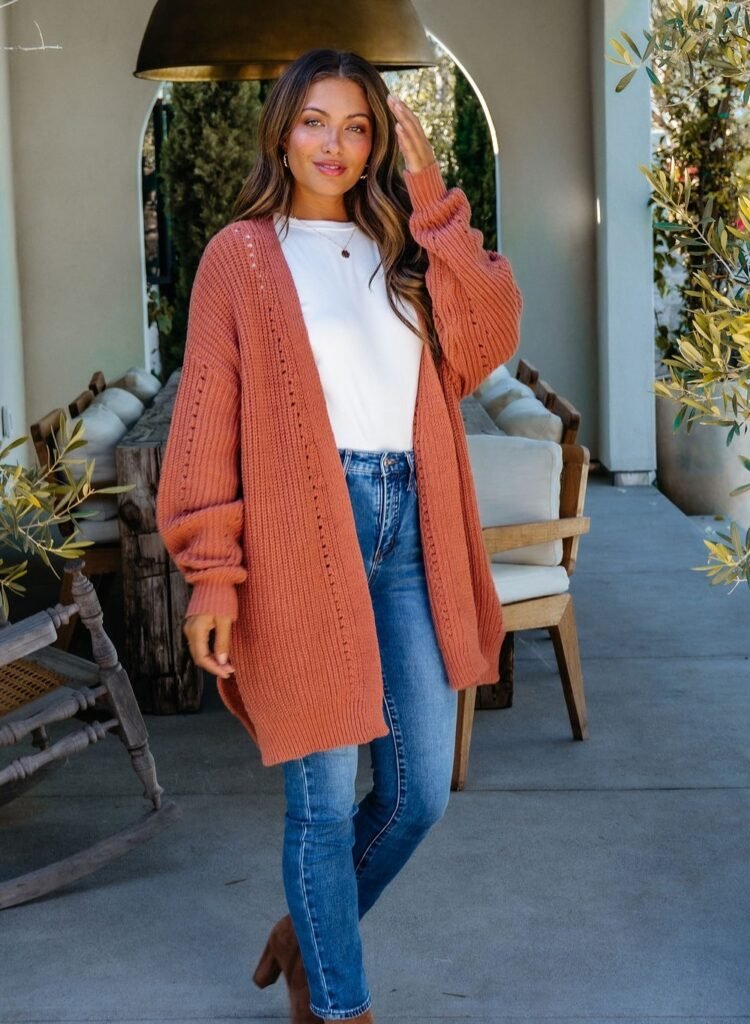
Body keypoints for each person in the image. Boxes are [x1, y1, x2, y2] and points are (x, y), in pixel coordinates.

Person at [156, 47, 523, 1024]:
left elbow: (488, 337)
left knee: (418, 794)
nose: (336, 144)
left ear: (377, 142)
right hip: (297, 534)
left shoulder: (401, 242)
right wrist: (212, 578)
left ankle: (310, 928)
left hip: (409, 530)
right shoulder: (240, 254)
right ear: (283, 128)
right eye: (316, 121)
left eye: (357, 126)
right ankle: (338, 1002)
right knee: (320, 802)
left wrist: (433, 192)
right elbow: (206, 422)